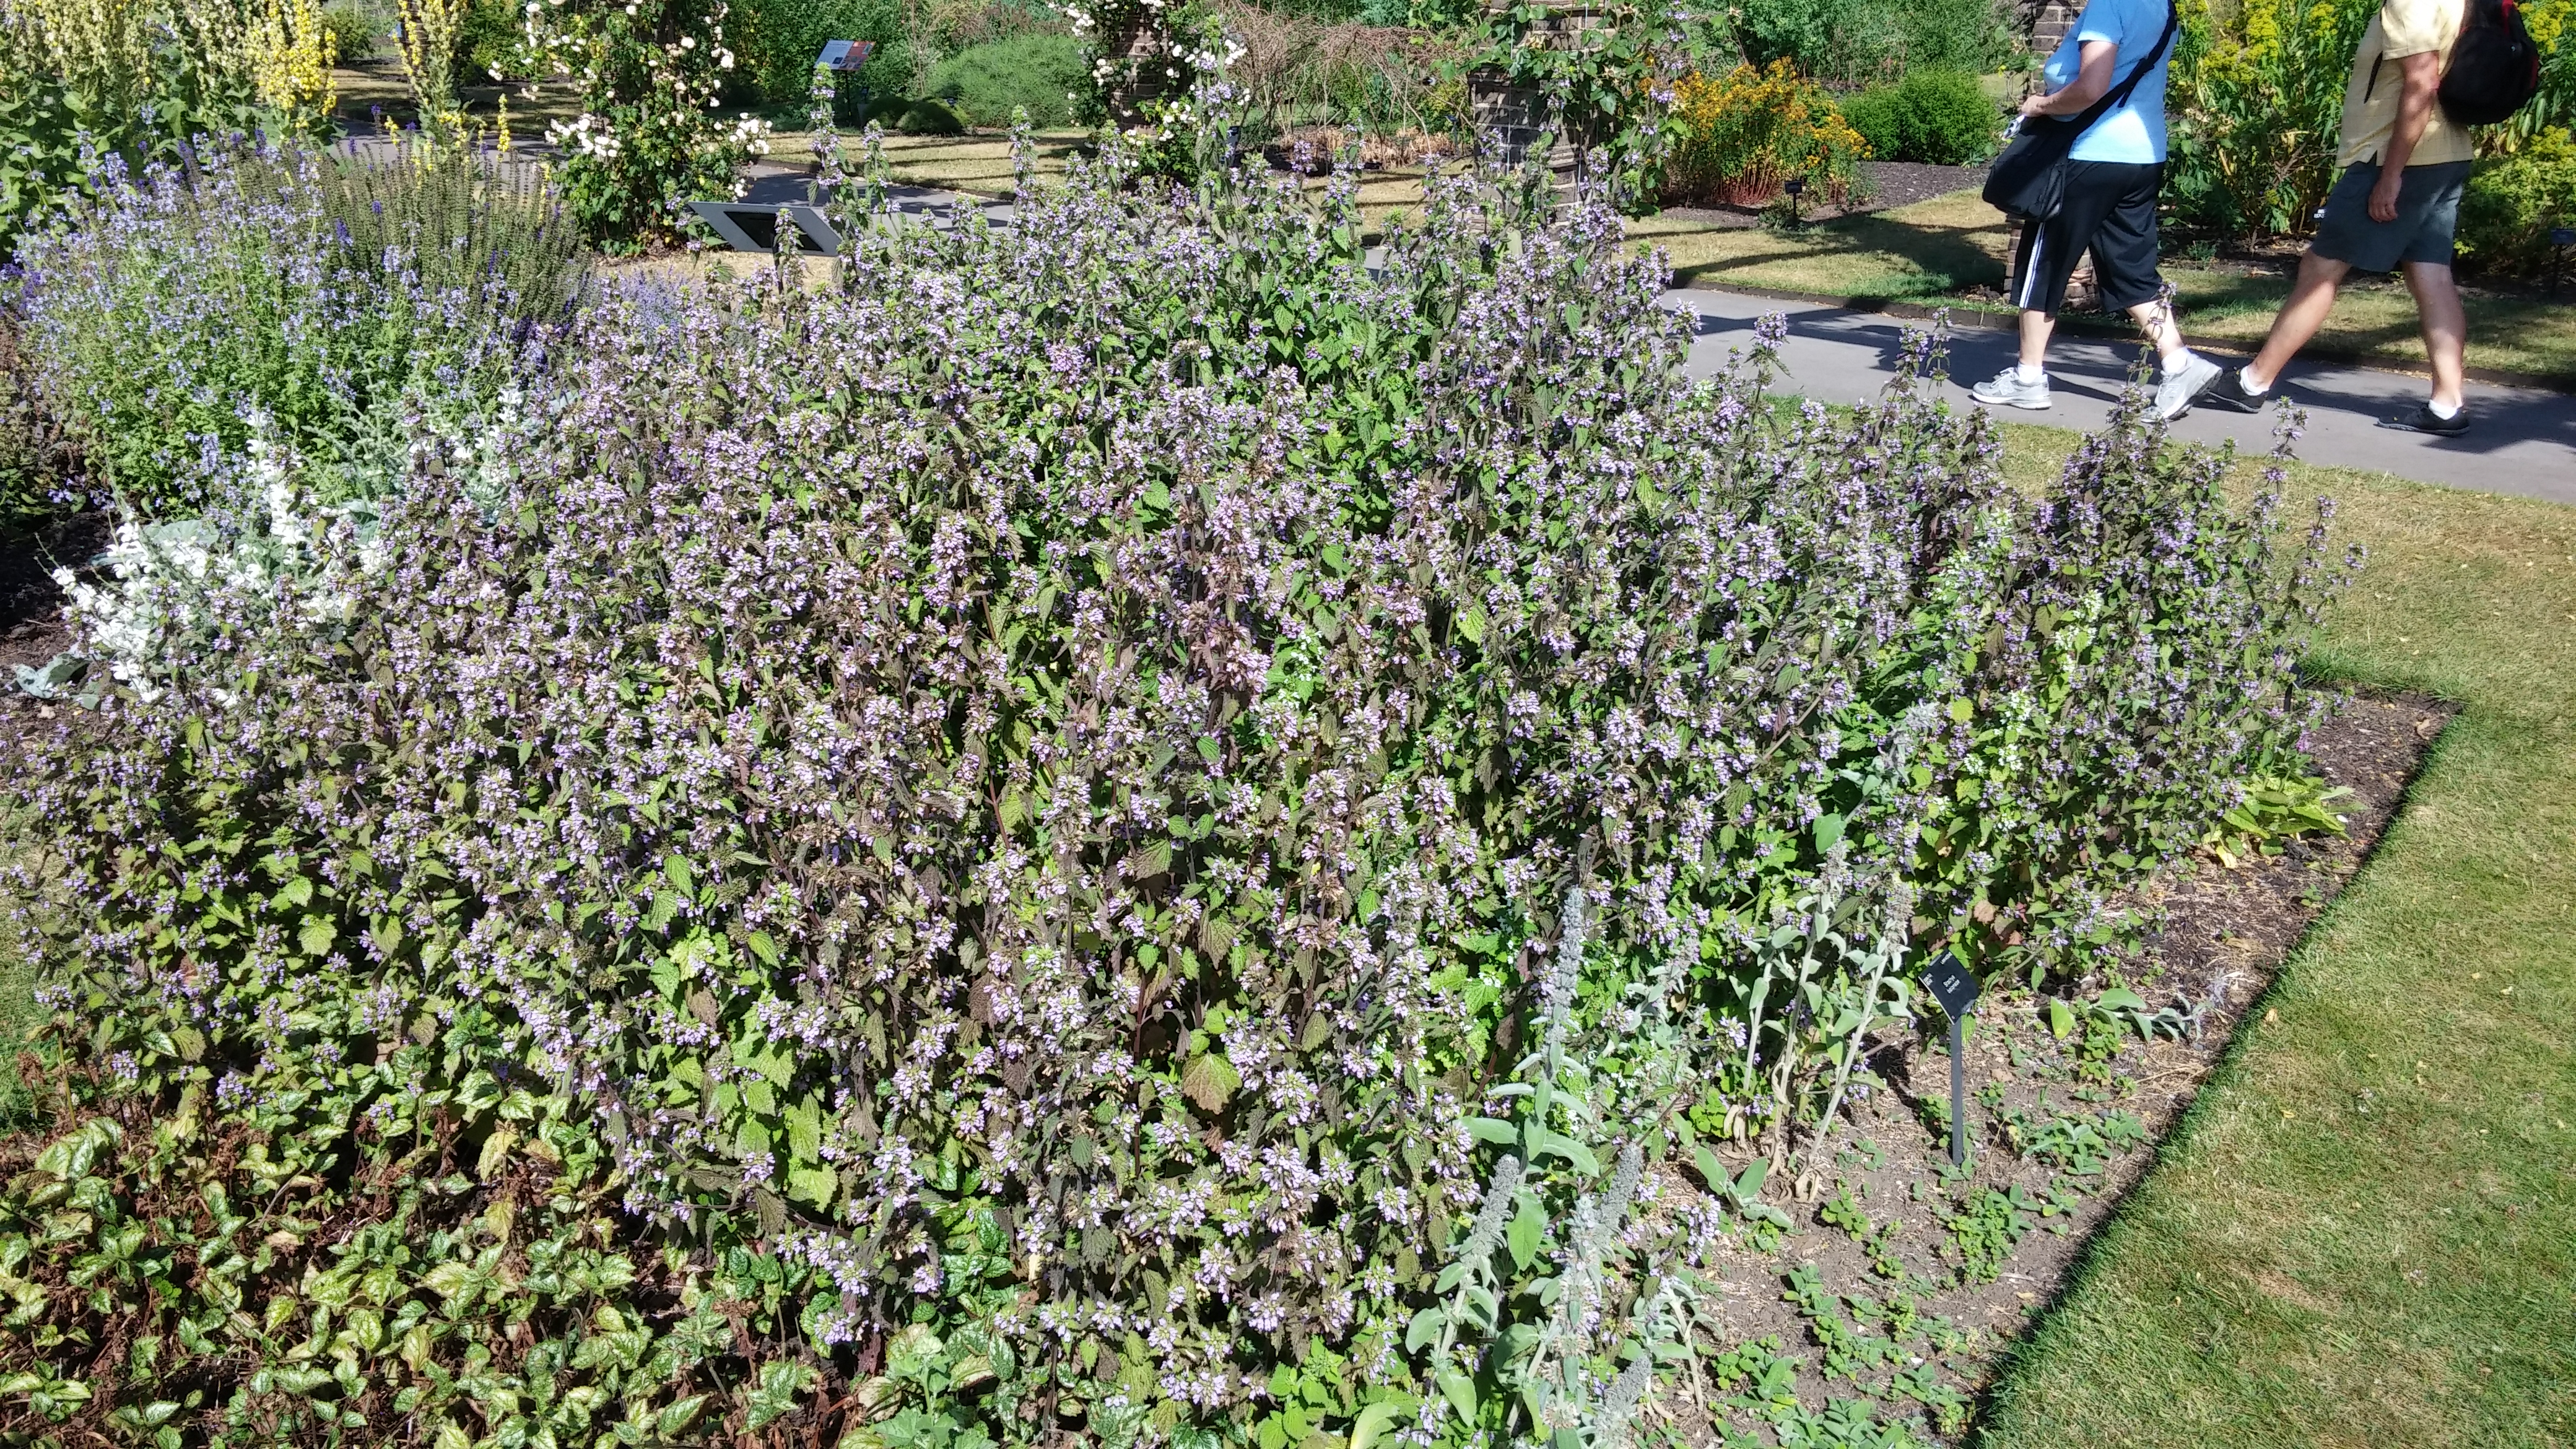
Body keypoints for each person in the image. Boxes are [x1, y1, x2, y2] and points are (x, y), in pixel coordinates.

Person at [2180, 0, 2474, 433]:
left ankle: (2252, 383)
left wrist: (2390, 176)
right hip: (2447, 154)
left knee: (2322, 268)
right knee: (2430, 273)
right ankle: (2447, 404)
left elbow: (2421, 83)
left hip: (2393, 158)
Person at [1972, 0, 2221, 420]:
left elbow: (2091, 88)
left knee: (2044, 265)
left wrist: (2039, 106)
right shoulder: (2162, 7)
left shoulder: (2110, 4)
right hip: (2142, 158)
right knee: (2130, 270)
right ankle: (2180, 364)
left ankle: (2028, 379)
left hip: (2088, 157)